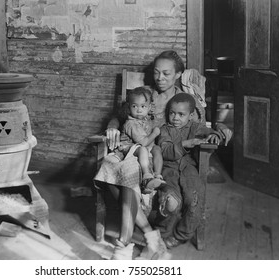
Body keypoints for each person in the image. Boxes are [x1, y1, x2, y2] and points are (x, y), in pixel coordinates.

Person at [95, 50, 233, 259]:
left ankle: (128, 243)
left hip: (159, 158)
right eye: (157, 73)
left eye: (167, 73)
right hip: (136, 151)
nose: (160, 78)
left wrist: (219, 126)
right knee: (112, 170)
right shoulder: (145, 95)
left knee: (128, 176)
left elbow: (200, 125)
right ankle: (149, 237)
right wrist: (112, 127)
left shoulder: (183, 99)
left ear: (178, 74)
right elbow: (118, 116)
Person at [156, 92, 222, 248]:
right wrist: (185, 144)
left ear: (191, 115)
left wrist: (214, 135)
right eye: (172, 113)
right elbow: (164, 151)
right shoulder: (165, 130)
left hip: (188, 168)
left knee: (194, 200)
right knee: (170, 200)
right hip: (168, 168)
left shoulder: (194, 127)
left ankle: (181, 234)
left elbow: (207, 131)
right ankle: (162, 232)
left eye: (181, 114)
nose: (176, 118)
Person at [118, 86, 164, 193]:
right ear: (129, 107)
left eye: (143, 106)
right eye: (135, 106)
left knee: (157, 149)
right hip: (128, 148)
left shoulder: (147, 119)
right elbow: (143, 142)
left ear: (149, 108)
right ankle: (147, 175)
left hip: (144, 147)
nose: (139, 110)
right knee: (142, 149)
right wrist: (155, 133)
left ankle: (157, 176)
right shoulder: (131, 123)